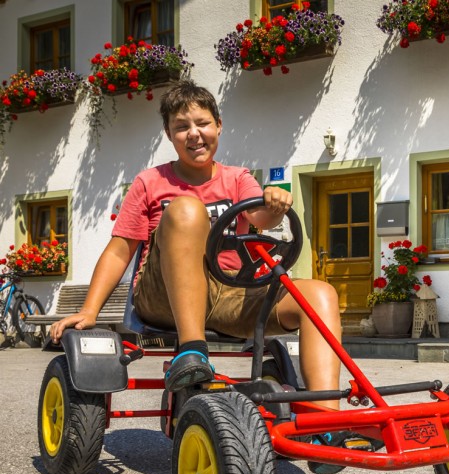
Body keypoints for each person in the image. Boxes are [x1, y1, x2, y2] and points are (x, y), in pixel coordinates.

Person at [50, 79, 342, 408]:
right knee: (187, 209)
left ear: (218, 126)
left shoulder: (238, 178)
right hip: (162, 297)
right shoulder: (150, 182)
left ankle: (325, 418)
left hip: (230, 292)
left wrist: (273, 204)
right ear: (169, 134)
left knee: (320, 294)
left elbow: (260, 218)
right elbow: (120, 250)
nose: (194, 133)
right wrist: (90, 311)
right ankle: (192, 352)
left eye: (203, 123)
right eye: (181, 127)